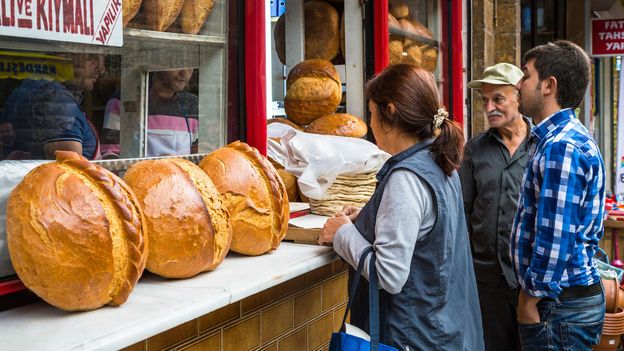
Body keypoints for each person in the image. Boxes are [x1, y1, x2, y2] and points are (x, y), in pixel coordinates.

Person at [317, 64, 484, 350]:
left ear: (390, 112)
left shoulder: (406, 178)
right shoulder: (439, 163)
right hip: (446, 334)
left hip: (414, 338)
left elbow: (389, 275)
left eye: (371, 112)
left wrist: (343, 233)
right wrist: (367, 219)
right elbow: (427, 236)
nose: (370, 124)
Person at [511, 40, 606, 350]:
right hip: (561, 303)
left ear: (548, 86)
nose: (519, 84)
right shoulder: (559, 139)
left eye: (526, 75)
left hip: (556, 305)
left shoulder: (561, 146)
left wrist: (530, 297)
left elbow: (555, 237)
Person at [460, 63, 529, 351]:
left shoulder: (543, 146)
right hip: (485, 283)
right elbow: (463, 213)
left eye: (497, 99)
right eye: (484, 100)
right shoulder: (474, 150)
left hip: (530, 282)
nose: (489, 107)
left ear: (518, 97)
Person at [0, 53, 105, 160]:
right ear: (65, 57)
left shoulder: (29, 89)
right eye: (92, 57)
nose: (101, 69)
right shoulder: (55, 98)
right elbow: (67, 167)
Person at [101, 69, 198, 158]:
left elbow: (198, 153)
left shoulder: (192, 104)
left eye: (190, 67)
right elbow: (109, 154)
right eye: (178, 64)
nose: (184, 73)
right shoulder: (125, 100)